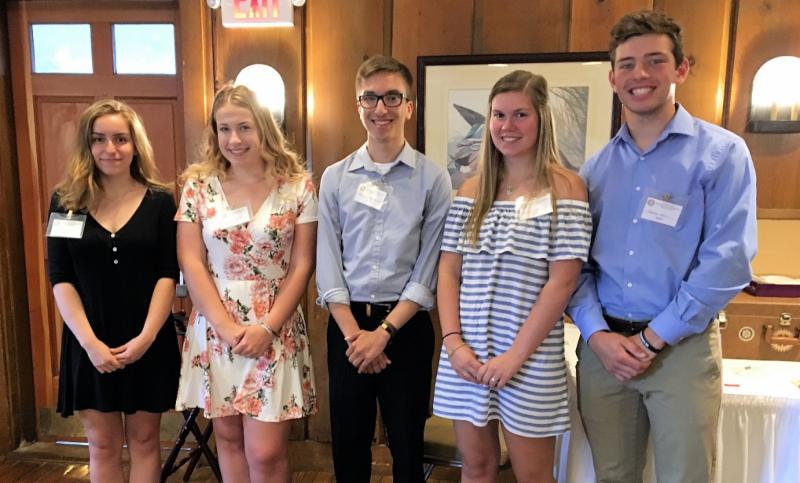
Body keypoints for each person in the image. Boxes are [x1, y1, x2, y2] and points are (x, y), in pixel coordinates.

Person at [567, 10, 757, 483]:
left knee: (685, 476)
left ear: (681, 69)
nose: (640, 74)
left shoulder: (722, 154)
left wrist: (654, 338)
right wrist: (596, 335)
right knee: (612, 476)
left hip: (681, 350)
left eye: (655, 61)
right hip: (605, 353)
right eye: (627, 64)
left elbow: (728, 261)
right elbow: (576, 265)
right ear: (613, 78)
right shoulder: (594, 170)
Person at [432, 70, 591, 483]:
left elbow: (562, 283)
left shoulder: (567, 189)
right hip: (467, 354)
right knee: (476, 467)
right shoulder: (471, 190)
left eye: (520, 114)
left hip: (529, 357)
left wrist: (514, 358)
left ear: (541, 118)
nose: (507, 126)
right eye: (499, 115)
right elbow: (449, 271)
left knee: (533, 475)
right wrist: (453, 344)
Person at [316, 55, 451, 482]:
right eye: (370, 98)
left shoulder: (433, 179)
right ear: (358, 105)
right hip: (348, 328)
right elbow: (328, 262)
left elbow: (428, 268)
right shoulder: (335, 178)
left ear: (409, 105)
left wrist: (384, 334)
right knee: (348, 447)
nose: (381, 108)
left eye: (392, 97)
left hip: (406, 330)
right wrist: (357, 337)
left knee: (408, 449)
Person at [174, 84, 317, 482]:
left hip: (274, 324)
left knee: (266, 452)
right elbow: (190, 260)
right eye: (224, 129)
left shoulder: (297, 186)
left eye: (244, 127)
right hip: (216, 322)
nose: (234, 139)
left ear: (263, 127)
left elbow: (302, 265)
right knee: (229, 438)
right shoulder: (198, 186)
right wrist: (223, 326)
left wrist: (267, 327)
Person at [47, 99, 180, 483]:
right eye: (99, 139)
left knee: (145, 441)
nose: (111, 149)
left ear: (136, 144)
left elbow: (167, 274)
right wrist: (90, 344)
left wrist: (147, 339)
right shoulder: (65, 202)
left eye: (121, 139)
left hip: (147, 340)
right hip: (89, 341)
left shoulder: (160, 201)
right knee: (102, 445)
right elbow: (60, 277)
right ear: (87, 145)